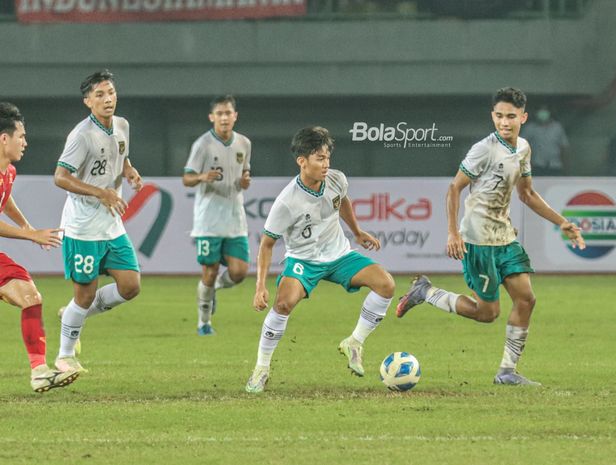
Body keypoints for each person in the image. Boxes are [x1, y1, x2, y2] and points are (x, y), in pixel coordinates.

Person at [396, 87, 585, 386]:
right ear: (492, 116)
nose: (504, 122)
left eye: (511, 116)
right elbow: (454, 188)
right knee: (487, 313)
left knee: (526, 299)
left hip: (505, 236)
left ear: (523, 117)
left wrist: (561, 222)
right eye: (499, 116)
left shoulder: (523, 147)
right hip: (479, 240)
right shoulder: (483, 149)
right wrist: (452, 232)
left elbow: (527, 194)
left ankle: (507, 372)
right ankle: (427, 293)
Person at [245, 126, 395, 393]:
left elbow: (343, 201)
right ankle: (261, 368)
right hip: (304, 260)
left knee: (386, 284)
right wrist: (259, 286)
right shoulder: (286, 202)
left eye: (327, 158)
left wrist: (357, 233)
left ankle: (354, 342)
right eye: (319, 158)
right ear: (302, 161)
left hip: (339, 255)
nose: (326, 164)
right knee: (283, 303)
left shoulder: (336, 180)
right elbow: (267, 244)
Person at [53, 70, 143, 374]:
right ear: (88, 101)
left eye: (111, 92)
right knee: (86, 294)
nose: (108, 99)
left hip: (111, 224)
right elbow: (60, 177)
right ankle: (64, 355)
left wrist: (129, 171)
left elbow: (122, 155)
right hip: (82, 227)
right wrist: (100, 192)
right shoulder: (81, 136)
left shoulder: (122, 125)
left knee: (130, 285)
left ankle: (72, 315)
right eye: (100, 95)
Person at [0, 102, 80, 392]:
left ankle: (39, 372)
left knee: (30, 296)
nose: (25, 142)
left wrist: (26, 226)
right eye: (21, 136)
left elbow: (4, 199)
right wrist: (31, 236)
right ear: (4, 138)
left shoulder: (7, 172)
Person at [183, 95, 252, 335]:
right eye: (219, 113)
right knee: (209, 271)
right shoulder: (203, 145)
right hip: (208, 221)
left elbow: (244, 176)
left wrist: (245, 181)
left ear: (235, 116)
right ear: (212, 117)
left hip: (235, 219)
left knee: (240, 272)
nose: (224, 117)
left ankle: (211, 292)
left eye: (228, 113)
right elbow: (187, 178)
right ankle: (204, 323)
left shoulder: (244, 143)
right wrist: (201, 177)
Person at [520, 104, 569, 176]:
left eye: (545, 110)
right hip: (537, 167)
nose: (543, 113)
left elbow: (564, 147)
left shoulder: (557, 127)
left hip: (555, 166)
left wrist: (566, 167)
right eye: (540, 110)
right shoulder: (530, 128)